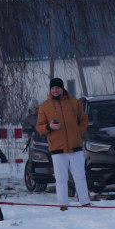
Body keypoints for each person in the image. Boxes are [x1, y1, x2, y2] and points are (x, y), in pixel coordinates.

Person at [36, 77, 91, 210]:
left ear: (62, 88)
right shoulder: (44, 106)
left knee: (80, 176)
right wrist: (49, 127)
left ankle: (85, 202)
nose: (55, 90)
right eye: (53, 88)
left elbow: (84, 120)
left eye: (58, 88)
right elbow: (39, 126)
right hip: (57, 148)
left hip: (75, 147)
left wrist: (78, 132)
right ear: (50, 90)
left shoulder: (74, 102)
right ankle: (63, 204)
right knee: (61, 178)